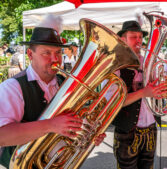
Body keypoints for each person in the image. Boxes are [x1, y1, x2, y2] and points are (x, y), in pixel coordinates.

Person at [0, 26, 105, 168]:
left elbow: (71, 121)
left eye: (58, 52)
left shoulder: (63, 82)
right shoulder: (12, 87)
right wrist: (50, 125)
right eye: (46, 53)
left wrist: (87, 133)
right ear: (30, 54)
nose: (55, 59)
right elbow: (3, 136)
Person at [112, 20, 167, 169]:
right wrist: (143, 92)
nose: (138, 40)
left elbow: (162, 88)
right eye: (133, 37)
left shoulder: (150, 62)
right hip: (127, 133)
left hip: (150, 129)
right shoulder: (115, 65)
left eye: (140, 37)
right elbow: (113, 103)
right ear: (123, 39)